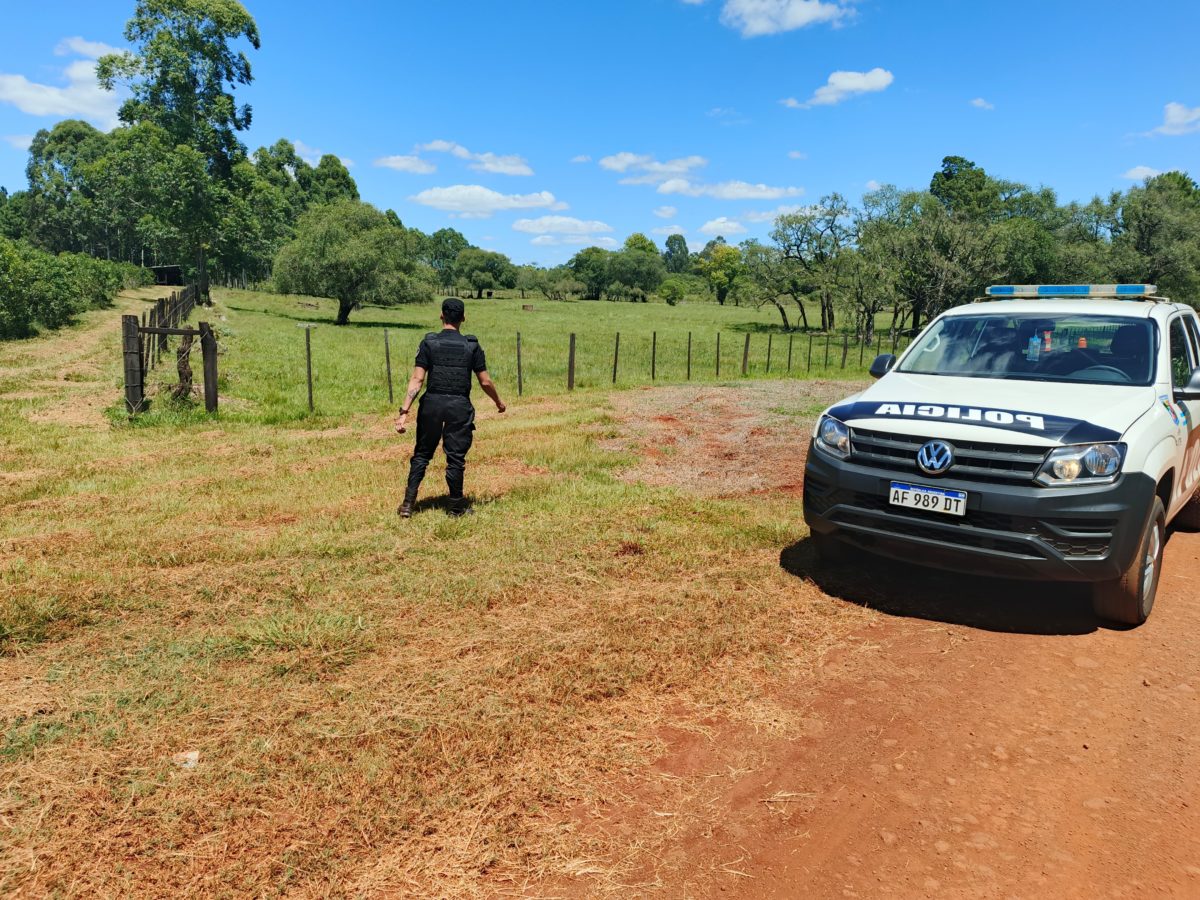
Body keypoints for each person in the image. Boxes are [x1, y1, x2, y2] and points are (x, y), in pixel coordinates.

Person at [395, 298, 505, 517]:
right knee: (455, 457)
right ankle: (455, 507)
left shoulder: (429, 343)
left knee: (422, 454)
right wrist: (498, 402)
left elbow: (417, 380)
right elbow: (485, 381)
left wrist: (404, 411)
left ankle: (408, 504)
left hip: (432, 404)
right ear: (463, 318)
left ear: (441, 316)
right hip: (458, 406)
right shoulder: (471, 346)